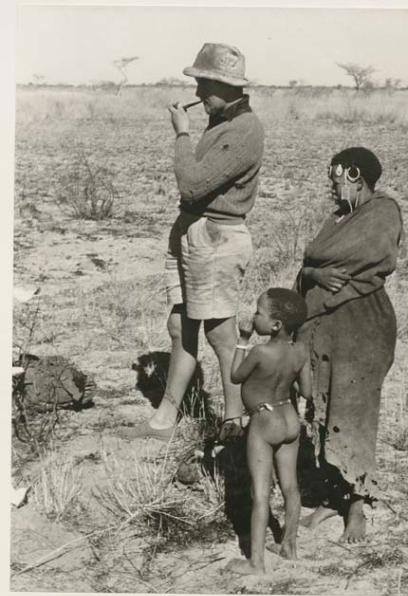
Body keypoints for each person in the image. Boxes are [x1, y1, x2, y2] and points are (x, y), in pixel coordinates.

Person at [119, 43, 264, 442]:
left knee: (220, 333)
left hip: (216, 236)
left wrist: (181, 134)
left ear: (228, 86)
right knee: (179, 323)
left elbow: (193, 182)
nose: (198, 94)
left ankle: (235, 424)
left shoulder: (244, 130)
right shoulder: (223, 122)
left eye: (204, 84)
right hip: (195, 231)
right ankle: (165, 417)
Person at [296, 147, 403, 543]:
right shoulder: (340, 216)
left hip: (363, 324)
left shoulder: (383, 211)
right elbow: (314, 261)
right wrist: (313, 272)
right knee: (322, 405)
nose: (332, 184)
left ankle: (357, 504)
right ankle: (333, 493)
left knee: (355, 410)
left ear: (356, 175)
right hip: (326, 321)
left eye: (337, 177)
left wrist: (316, 265)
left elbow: (372, 256)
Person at [226, 288, 312, 575]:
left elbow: (235, 376)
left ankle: (256, 563)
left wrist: (242, 340)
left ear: (275, 325)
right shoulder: (300, 350)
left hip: (264, 420)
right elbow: (308, 391)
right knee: (291, 487)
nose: (254, 316)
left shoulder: (260, 351)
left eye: (258, 312)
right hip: (289, 418)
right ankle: (290, 546)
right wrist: (288, 376)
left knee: (260, 493)